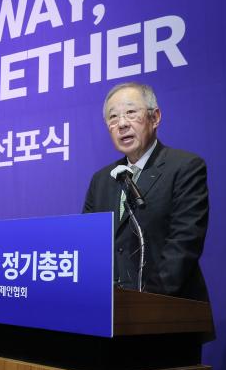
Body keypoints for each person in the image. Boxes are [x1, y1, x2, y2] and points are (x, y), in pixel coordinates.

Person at [83, 82, 210, 301]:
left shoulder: (184, 167)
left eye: (131, 112)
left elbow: (184, 243)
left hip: (166, 311)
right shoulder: (102, 180)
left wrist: (146, 302)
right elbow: (87, 243)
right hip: (111, 311)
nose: (122, 123)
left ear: (155, 117)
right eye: (113, 117)